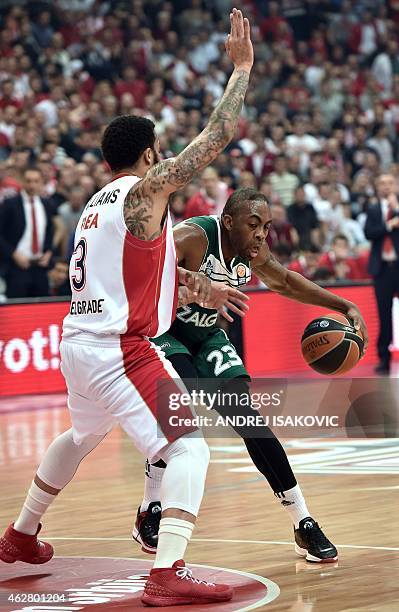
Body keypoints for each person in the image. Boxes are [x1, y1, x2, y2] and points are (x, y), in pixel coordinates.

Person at [0, 8, 254, 607]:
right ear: (148, 156)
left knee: (81, 435)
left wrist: (200, 288)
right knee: (188, 445)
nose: (164, 159)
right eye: (159, 153)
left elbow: (148, 269)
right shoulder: (145, 192)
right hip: (121, 349)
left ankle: (21, 534)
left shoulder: (98, 204)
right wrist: (240, 71)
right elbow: (215, 138)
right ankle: (168, 571)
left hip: (78, 346)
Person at [133, 187, 368, 564]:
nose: (261, 234)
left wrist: (344, 304)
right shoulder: (194, 237)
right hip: (165, 333)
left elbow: (286, 282)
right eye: (253, 225)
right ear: (228, 223)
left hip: (206, 335)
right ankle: (150, 506)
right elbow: (145, 269)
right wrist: (194, 287)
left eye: (267, 226)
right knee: (180, 409)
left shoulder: (250, 254)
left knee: (250, 421)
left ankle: (302, 522)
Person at [364, 174, 399, 374]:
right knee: (384, 314)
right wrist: (389, 225)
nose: (386, 187)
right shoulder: (373, 209)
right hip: (382, 269)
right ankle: (384, 357)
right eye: (382, 183)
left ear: (396, 185)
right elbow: (369, 233)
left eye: (390, 183)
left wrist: (397, 207)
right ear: (376, 187)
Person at [0, 167, 54, 298]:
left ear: (41, 182)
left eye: (36, 181)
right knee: (18, 310)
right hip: (17, 267)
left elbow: (49, 231)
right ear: (22, 181)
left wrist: (48, 252)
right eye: (28, 181)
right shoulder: (10, 204)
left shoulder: (46, 204)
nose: (32, 185)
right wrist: (13, 253)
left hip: (40, 266)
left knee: (43, 308)